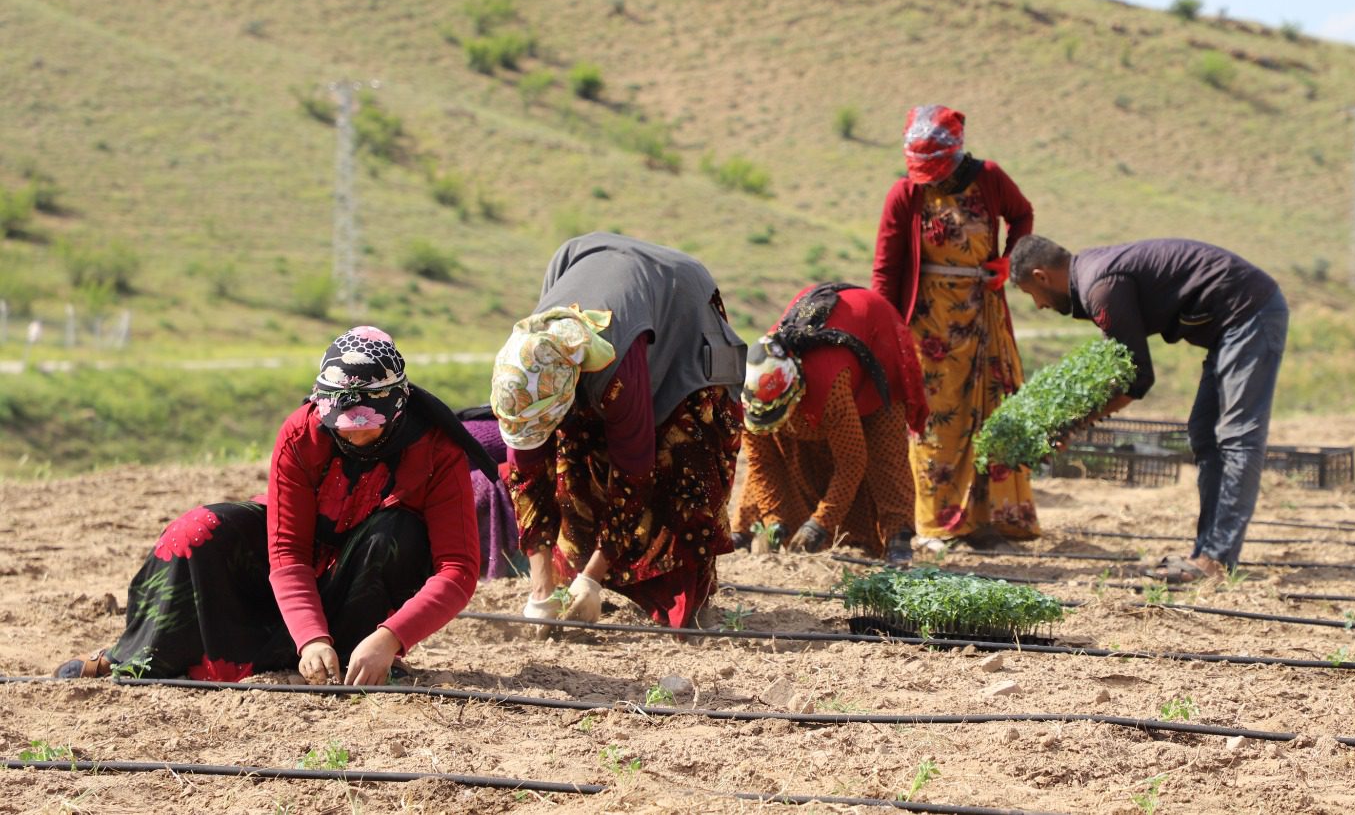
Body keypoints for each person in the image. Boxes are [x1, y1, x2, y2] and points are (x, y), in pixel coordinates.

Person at [55, 327, 486, 684]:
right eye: (344, 428)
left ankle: (354, 658)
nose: (354, 437)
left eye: (368, 428)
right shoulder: (301, 434)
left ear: (397, 407)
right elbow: (288, 552)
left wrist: (391, 637)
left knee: (399, 533)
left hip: (363, 577)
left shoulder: (436, 450)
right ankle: (139, 656)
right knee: (196, 530)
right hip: (297, 567)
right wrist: (310, 636)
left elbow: (459, 569)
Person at [490, 232, 745, 634]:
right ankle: (568, 587)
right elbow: (525, 476)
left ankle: (667, 593)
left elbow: (634, 472)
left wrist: (592, 576)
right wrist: (540, 589)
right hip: (595, 270)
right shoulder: (528, 367)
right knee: (572, 456)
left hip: (682, 314)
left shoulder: (615, 375)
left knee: (681, 456)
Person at [1009, 234, 1290, 582]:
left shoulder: (1100, 286)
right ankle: (1207, 554)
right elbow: (1118, 370)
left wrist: (1071, 426)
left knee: (1237, 437)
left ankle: (1216, 561)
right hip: (1231, 325)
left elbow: (1138, 380)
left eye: (1030, 294)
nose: (1038, 305)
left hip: (1249, 314)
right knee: (1204, 434)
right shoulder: (1095, 276)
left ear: (1041, 276)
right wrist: (1069, 420)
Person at [871, 105, 1040, 550]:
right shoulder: (905, 194)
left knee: (991, 413)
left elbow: (1022, 216)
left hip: (983, 316)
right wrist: (884, 332)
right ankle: (937, 522)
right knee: (932, 422)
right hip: (927, 326)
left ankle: (988, 522)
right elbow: (886, 272)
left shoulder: (990, 178)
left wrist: (1009, 261)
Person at [735, 282, 928, 564]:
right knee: (778, 440)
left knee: (883, 446)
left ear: (796, 392)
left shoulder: (828, 386)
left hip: (876, 338)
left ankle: (898, 536)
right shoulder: (753, 389)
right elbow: (762, 462)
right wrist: (776, 520)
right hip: (830, 364)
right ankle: (746, 528)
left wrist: (820, 523)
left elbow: (852, 460)